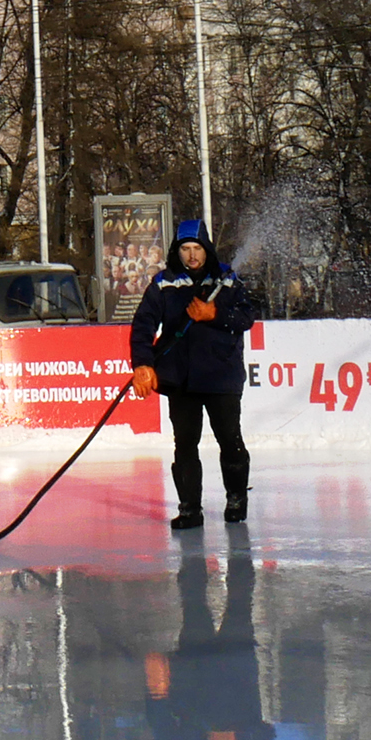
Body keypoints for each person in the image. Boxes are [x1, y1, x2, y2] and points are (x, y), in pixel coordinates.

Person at [127, 216, 255, 531]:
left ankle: (236, 500)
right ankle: (190, 509)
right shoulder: (164, 283)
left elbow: (247, 316)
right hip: (180, 379)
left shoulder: (227, 279)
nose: (192, 255)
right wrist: (143, 363)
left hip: (221, 376)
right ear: (177, 250)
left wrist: (215, 314)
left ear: (207, 249)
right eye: (185, 248)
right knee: (185, 445)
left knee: (230, 439)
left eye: (197, 248)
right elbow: (143, 325)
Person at [144, 535, 275, 740]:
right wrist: (235, 736)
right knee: (239, 603)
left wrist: (157, 689)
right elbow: (267, 735)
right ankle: (239, 546)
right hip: (237, 671)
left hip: (195, 669)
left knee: (194, 606)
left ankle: (192, 545)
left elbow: (160, 725)